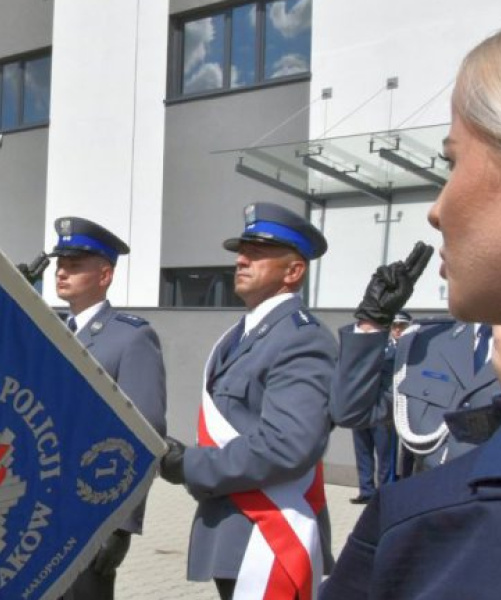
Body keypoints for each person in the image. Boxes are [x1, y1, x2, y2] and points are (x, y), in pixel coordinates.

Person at [323, 16, 501, 598]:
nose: (436, 209)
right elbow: (350, 410)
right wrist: (371, 324)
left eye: (451, 162)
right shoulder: (433, 341)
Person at [159, 202, 336, 600]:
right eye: (242, 251)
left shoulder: (301, 337)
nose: (241, 260)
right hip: (237, 528)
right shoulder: (248, 333)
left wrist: (190, 465)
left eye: (257, 253)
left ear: (293, 272)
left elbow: (288, 444)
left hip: (271, 534)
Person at [47, 217, 167, 600]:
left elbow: (144, 436)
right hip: (40, 515)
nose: (62, 272)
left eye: (75, 264)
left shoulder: (131, 338)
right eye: (60, 263)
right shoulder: (51, 332)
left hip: (90, 517)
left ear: (105, 275)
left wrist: (121, 526)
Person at [332, 241, 501, 476]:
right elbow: (351, 412)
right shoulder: (427, 341)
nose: (443, 270)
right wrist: (372, 320)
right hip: (432, 505)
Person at [345, 310, 411, 504]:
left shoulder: (407, 350)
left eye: (402, 326)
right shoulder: (377, 345)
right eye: (395, 326)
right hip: (363, 406)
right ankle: (366, 491)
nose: (398, 330)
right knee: (363, 451)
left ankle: (385, 493)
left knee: (385, 455)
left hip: (384, 409)